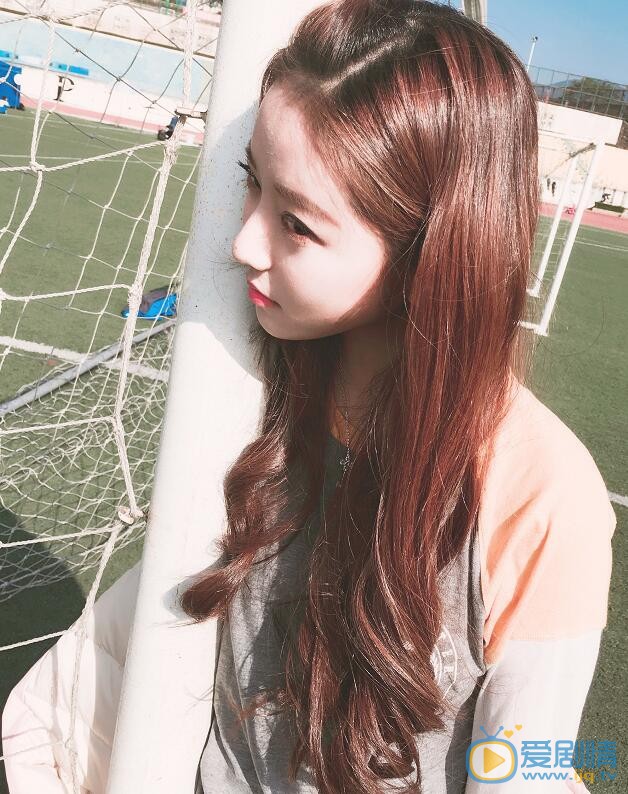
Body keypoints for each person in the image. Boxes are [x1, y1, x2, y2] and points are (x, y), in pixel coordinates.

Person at [1, 2, 616, 793]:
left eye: (296, 223)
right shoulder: (251, 380)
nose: (241, 244)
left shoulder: (540, 492)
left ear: (430, 249)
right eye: (250, 183)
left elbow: (523, 765)